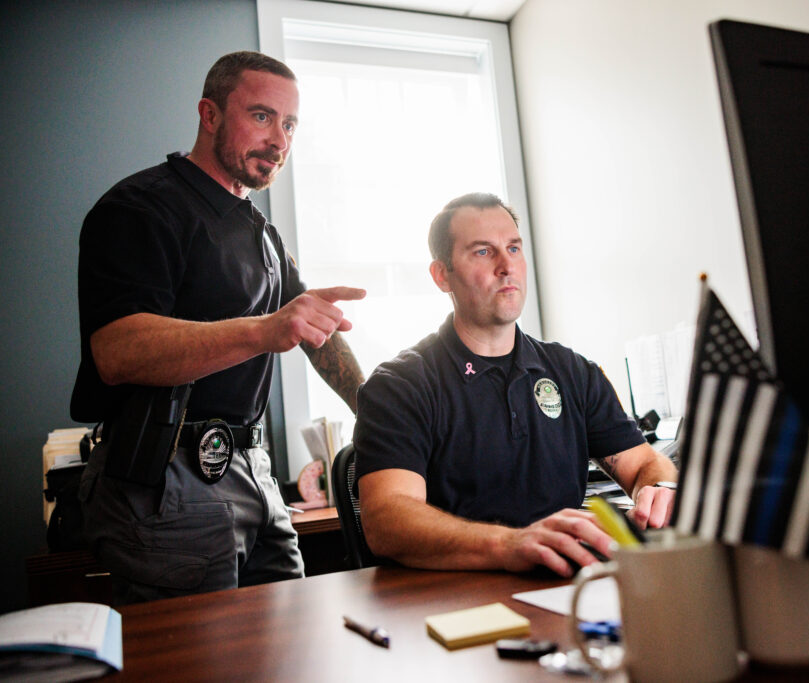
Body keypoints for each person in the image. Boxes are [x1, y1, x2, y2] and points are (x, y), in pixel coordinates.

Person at [71, 51, 365, 604]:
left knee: (286, 653)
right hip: (167, 478)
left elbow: (307, 325)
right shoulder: (140, 208)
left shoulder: (262, 233)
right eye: (261, 117)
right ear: (209, 114)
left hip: (256, 475)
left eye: (290, 124)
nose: (279, 139)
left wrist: (374, 408)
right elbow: (118, 351)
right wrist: (262, 331)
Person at [353, 192, 678, 578]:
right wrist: (509, 544)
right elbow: (387, 521)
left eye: (513, 248)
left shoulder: (572, 372)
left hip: (564, 591)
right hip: (452, 602)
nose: (507, 266)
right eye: (483, 252)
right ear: (442, 275)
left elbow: (644, 462)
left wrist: (658, 489)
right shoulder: (400, 385)